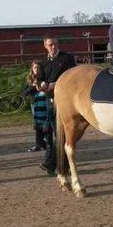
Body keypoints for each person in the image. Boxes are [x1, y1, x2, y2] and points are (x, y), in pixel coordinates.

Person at [36, 35, 76, 174]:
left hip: (65, 101)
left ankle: (53, 164)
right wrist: (41, 84)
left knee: (61, 134)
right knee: (53, 134)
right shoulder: (42, 63)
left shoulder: (67, 58)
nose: (53, 47)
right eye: (50, 45)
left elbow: (74, 76)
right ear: (45, 46)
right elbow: (39, 80)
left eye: (55, 44)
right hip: (50, 101)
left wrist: (57, 84)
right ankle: (55, 164)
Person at [21, 61, 46, 152]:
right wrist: (33, 86)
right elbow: (24, 93)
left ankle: (46, 141)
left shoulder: (44, 77)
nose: (36, 69)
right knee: (37, 124)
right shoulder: (29, 80)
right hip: (34, 104)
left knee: (47, 122)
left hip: (45, 102)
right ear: (32, 69)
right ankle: (38, 144)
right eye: (35, 68)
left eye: (38, 68)